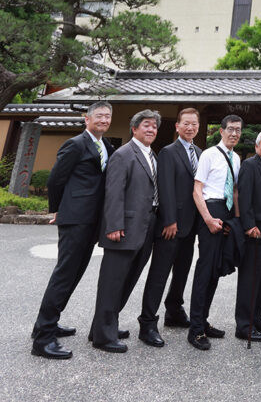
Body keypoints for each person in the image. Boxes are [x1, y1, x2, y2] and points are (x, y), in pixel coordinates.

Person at [31, 101, 114, 360]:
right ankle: (43, 339)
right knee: (64, 274)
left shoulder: (106, 145)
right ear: (86, 118)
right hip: (75, 217)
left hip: (92, 221)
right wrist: (56, 209)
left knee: (75, 273)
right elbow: (56, 178)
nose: (103, 119)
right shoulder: (76, 144)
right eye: (99, 115)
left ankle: (46, 323)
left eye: (108, 116)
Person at [89, 109, 162, 353]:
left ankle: (103, 325)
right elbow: (114, 193)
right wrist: (114, 225)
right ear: (134, 128)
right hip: (123, 228)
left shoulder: (152, 155)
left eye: (154, 126)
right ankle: (103, 336)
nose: (151, 130)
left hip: (146, 226)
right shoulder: (123, 154)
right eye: (146, 126)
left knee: (128, 280)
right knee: (112, 282)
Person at [137, 108, 202, 345]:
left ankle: (174, 311)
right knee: (159, 274)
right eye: (185, 123)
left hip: (191, 226)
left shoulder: (199, 152)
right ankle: (147, 323)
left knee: (182, 272)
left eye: (194, 124)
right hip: (171, 226)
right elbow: (165, 188)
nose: (190, 127)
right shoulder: (168, 152)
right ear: (177, 126)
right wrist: (169, 220)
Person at [187, 113, 243, 350]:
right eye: (230, 129)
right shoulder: (209, 154)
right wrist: (208, 219)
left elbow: (236, 192)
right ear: (220, 131)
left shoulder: (237, 158)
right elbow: (197, 190)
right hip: (211, 211)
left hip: (227, 213)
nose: (234, 133)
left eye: (238, 130)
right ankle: (195, 330)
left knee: (216, 271)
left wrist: (237, 221)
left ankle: (204, 321)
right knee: (205, 270)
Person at [234, 129, 261, 342]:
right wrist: (249, 225)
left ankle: (257, 318)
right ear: (257, 146)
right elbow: (244, 197)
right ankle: (244, 325)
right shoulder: (250, 165)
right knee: (249, 281)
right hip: (255, 232)